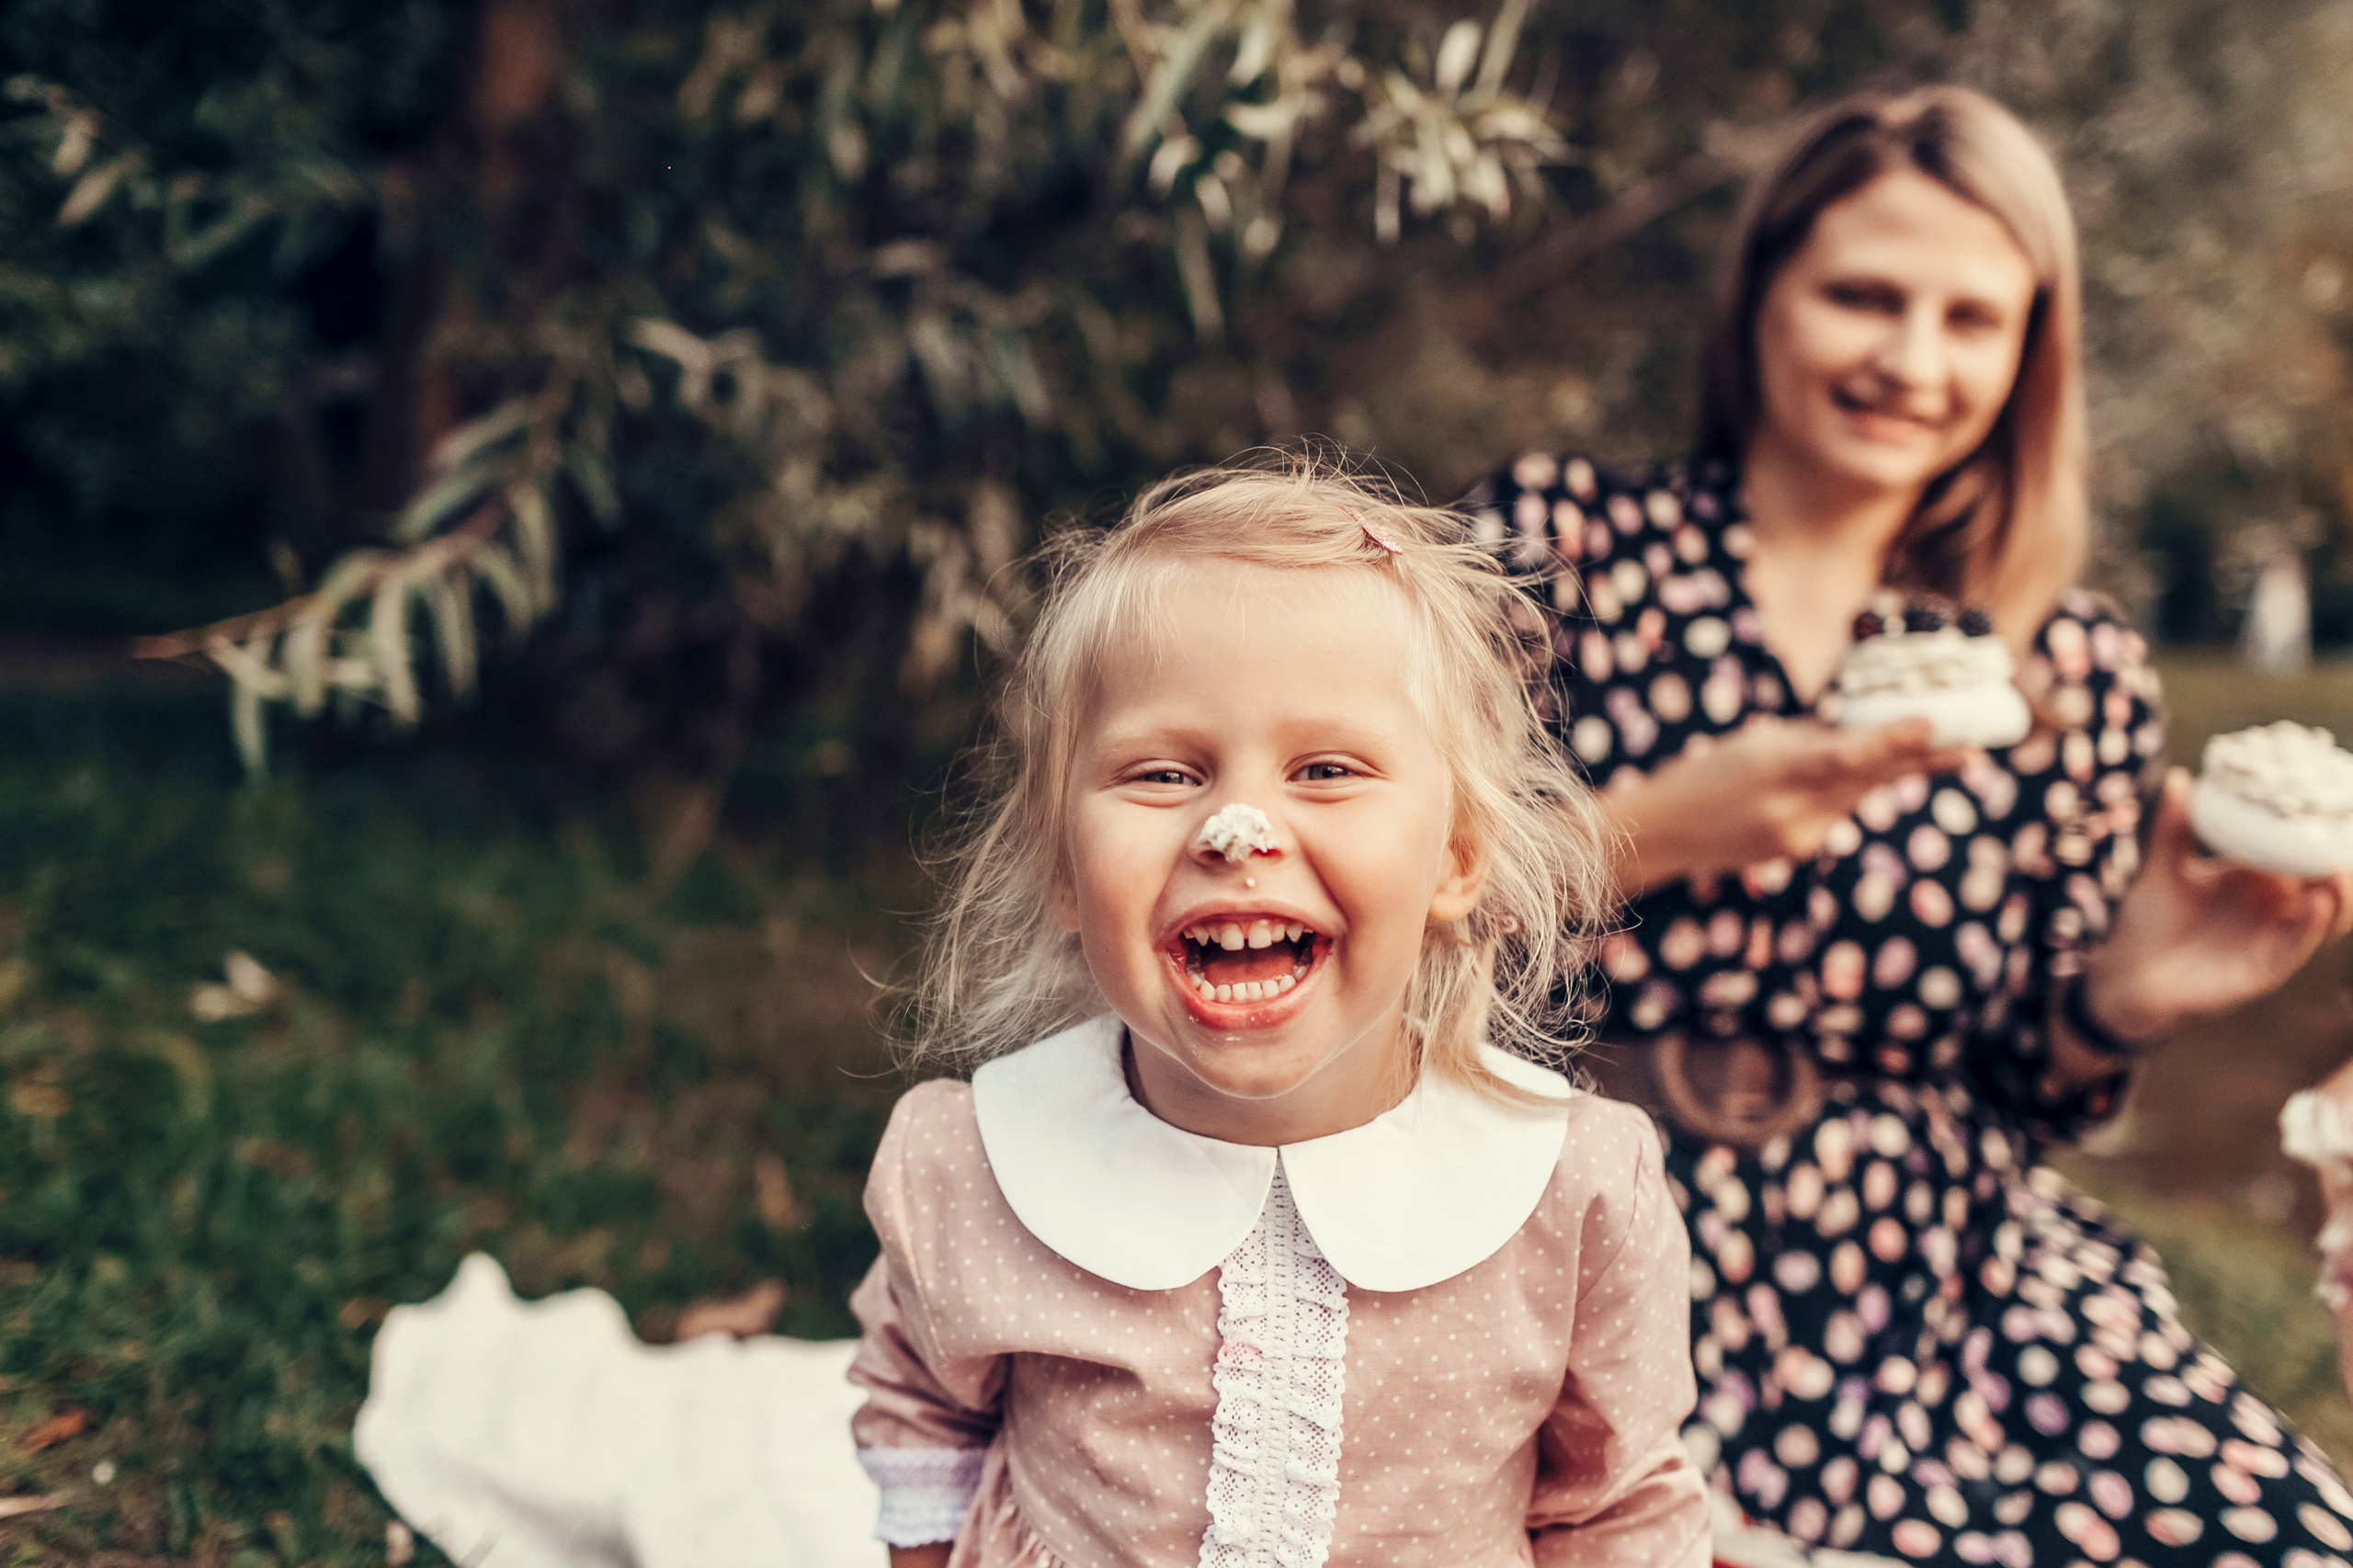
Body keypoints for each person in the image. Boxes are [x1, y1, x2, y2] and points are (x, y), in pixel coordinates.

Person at [1466, 85, 2353, 1562]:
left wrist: (2126, 993)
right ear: (1762, 298)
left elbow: (2020, 1085)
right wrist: (1637, 835)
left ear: (2030, 356)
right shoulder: (1560, 550)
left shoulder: (2068, 669)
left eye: (1970, 320)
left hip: (1936, 1270)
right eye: (1863, 296)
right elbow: (1381, 937)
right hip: (1586, 1231)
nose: (1909, 360)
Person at [847, 460, 1710, 1566]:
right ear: (1064, 867)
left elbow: (1614, 1506)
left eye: (1326, 768)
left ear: (1455, 858)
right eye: (1162, 774)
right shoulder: (972, 1163)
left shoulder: (1571, 1189)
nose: (1237, 828)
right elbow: (922, 1420)